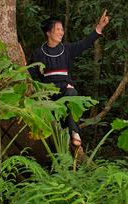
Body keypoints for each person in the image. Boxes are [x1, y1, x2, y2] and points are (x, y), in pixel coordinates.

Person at [28, 11, 110, 148]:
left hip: (66, 90)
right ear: (48, 33)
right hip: (47, 93)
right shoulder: (38, 53)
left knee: (72, 94)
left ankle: (74, 132)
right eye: (58, 29)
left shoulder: (67, 49)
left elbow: (85, 43)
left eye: (62, 29)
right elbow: (31, 75)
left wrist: (100, 27)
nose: (61, 32)